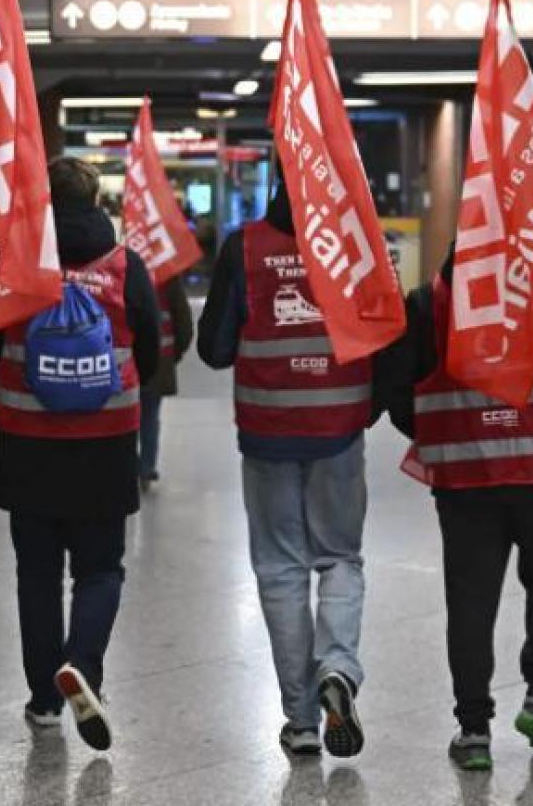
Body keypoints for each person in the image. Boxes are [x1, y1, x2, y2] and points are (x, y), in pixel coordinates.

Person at [379, 254, 533, 771]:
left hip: (466, 484)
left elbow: (393, 394)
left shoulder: (428, 303)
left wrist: (446, 431)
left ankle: (473, 731)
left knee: (470, 601)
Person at [0, 156, 160, 752]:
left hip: (27, 446)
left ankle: (42, 701)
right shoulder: (125, 266)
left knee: (36, 576)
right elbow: (153, 352)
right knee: (100, 568)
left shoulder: (17, 268)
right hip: (105, 445)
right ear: (97, 202)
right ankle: (83, 665)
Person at [197, 180, 375, 759]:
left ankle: (301, 721)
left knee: (281, 570)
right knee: (340, 557)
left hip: (268, 431)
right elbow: (385, 329)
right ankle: (339, 671)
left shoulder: (243, 246)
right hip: (340, 429)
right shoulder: (357, 240)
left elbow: (215, 349)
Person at [138, 273, 193, 488]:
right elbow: (184, 322)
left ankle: (130, 464)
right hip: (159, 360)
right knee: (150, 416)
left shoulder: (120, 268)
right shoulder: (168, 276)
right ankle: (146, 467)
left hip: (124, 361)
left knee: (126, 416)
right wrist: (173, 355)